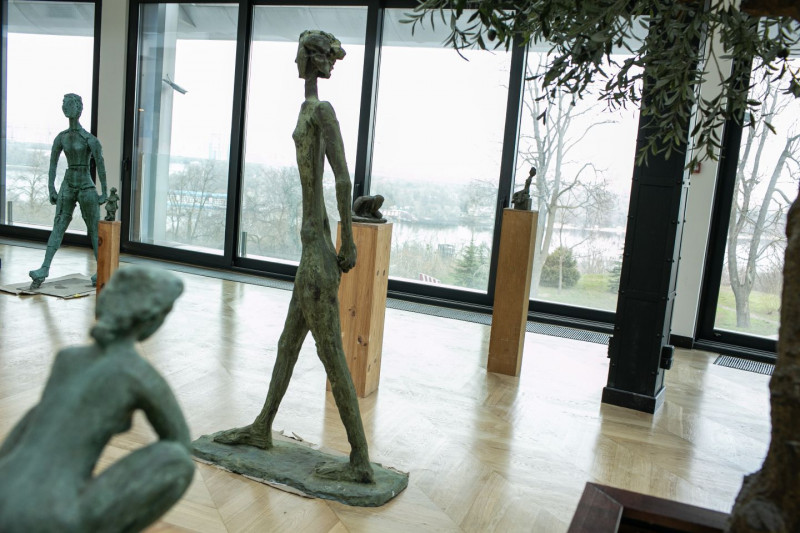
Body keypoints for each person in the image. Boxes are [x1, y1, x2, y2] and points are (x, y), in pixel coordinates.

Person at [213, 30, 374, 483]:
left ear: (311, 59)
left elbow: (343, 178)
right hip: (310, 252)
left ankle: (360, 460)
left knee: (331, 355)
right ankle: (262, 426)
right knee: (288, 344)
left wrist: (347, 240)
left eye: (303, 54)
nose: (298, 61)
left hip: (319, 255)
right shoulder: (308, 108)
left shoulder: (322, 111)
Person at [0, 266, 194, 531]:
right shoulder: (138, 374)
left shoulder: (67, 358)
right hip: (52, 513)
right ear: (152, 319)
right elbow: (180, 441)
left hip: (4, 486)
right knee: (178, 459)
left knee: (42, 411)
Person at [29, 93, 108, 289]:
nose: (65, 107)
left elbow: (100, 165)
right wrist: (51, 188)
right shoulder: (61, 138)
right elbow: (52, 164)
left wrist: (104, 192)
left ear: (78, 108)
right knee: (58, 226)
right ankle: (44, 268)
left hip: (86, 185)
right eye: (63, 104)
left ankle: (102, 269)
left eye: (69, 104)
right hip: (68, 184)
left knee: (94, 229)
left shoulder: (90, 139)